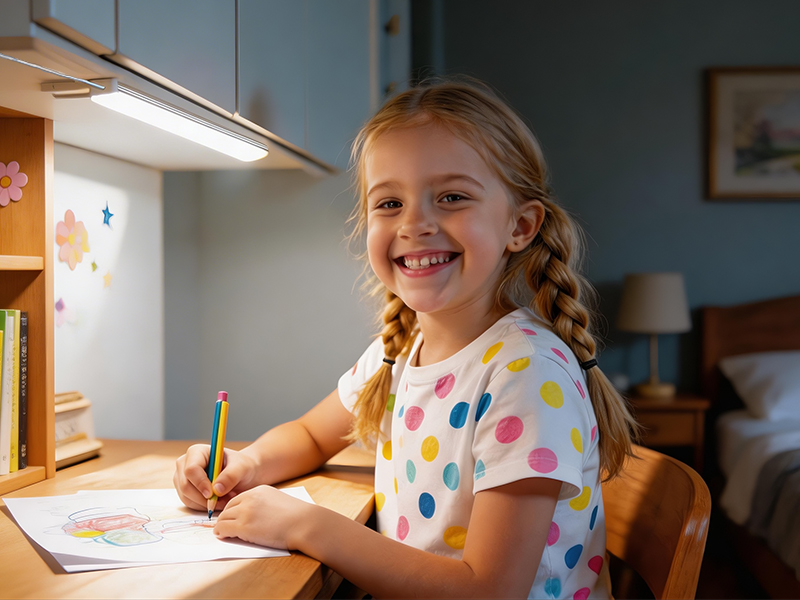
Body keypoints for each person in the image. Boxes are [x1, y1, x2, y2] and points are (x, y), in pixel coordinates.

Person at [173, 76, 639, 599]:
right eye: (389, 203)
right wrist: (246, 465)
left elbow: (488, 590)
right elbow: (309, 435)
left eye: (452, 197)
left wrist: (308, 525)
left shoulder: (525, 374)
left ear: (521, 226)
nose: (415, 224)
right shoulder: (399, 352)